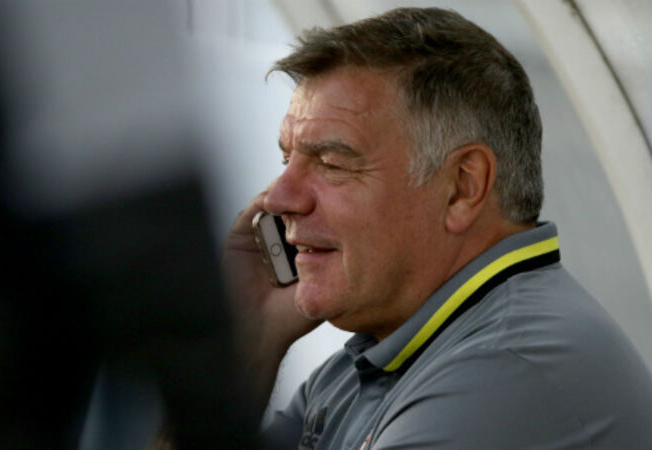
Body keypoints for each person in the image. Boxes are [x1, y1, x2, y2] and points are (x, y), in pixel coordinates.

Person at [223, 7, 652, 449]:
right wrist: (252, 339)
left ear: (462, 188)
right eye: (286, 159)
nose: (278, 198)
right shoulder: (377, 358)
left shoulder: (501, 369)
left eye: (331, 163)